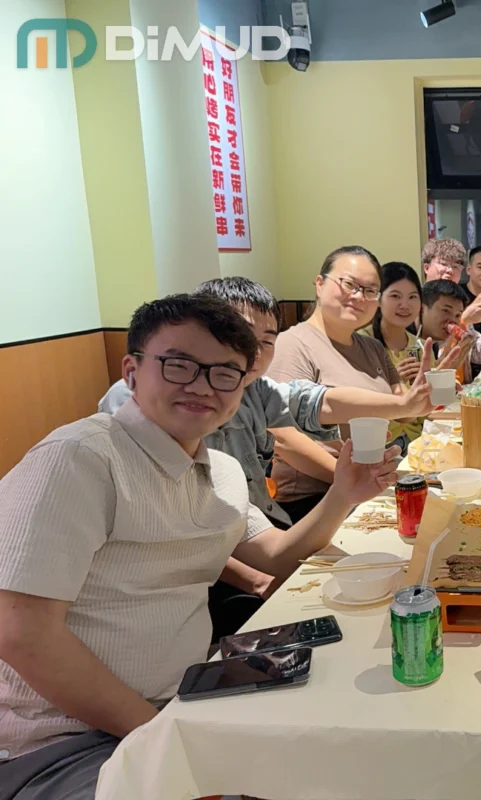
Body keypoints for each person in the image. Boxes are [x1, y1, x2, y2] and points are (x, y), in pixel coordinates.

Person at [0, 295, 400, 797]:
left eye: (224, 373)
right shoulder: (79, 459)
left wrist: (343, 494)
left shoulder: (221, 472)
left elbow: (277, 555)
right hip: (67, 740)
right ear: (131, 371)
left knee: (360, 730)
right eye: (179, 365)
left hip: (184, 698)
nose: (202, 385)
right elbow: (22, 635)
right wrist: (165, 735)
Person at [97, 278, 429, 639]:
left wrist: (402, 408)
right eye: (182, 365)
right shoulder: (101, 444)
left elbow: (318, 401)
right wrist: (255, 581)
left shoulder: (233, 438)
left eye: (267, 341)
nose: (253, 353)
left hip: (241, 555)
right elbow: (188, 541)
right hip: (196, 592)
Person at [267, 246, 424, 523]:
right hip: (314, 500)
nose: (359, 297)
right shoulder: (293, 344)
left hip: (370, 488)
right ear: (319, 284)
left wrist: (425, 390)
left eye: (370, 290)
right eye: (350, 285)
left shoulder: (372, 348)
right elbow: (282, 438)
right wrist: (349, 480)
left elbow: (403, 410)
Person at [365, 262, 430, 446]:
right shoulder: (362, 343)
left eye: (412, 297)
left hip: (418, 440)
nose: (405, 305)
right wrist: (392, 384)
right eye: (395, 296)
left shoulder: (421, 346)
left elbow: (426, 411)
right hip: (379, 444)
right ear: (378, 299)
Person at [420, 279, 481, 380]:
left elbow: (479, 354)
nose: (452, 320)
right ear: (422, 309)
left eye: (457, 315)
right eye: (446, 311)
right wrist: (443, 373)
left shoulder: (458, 326)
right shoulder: (411, 345)